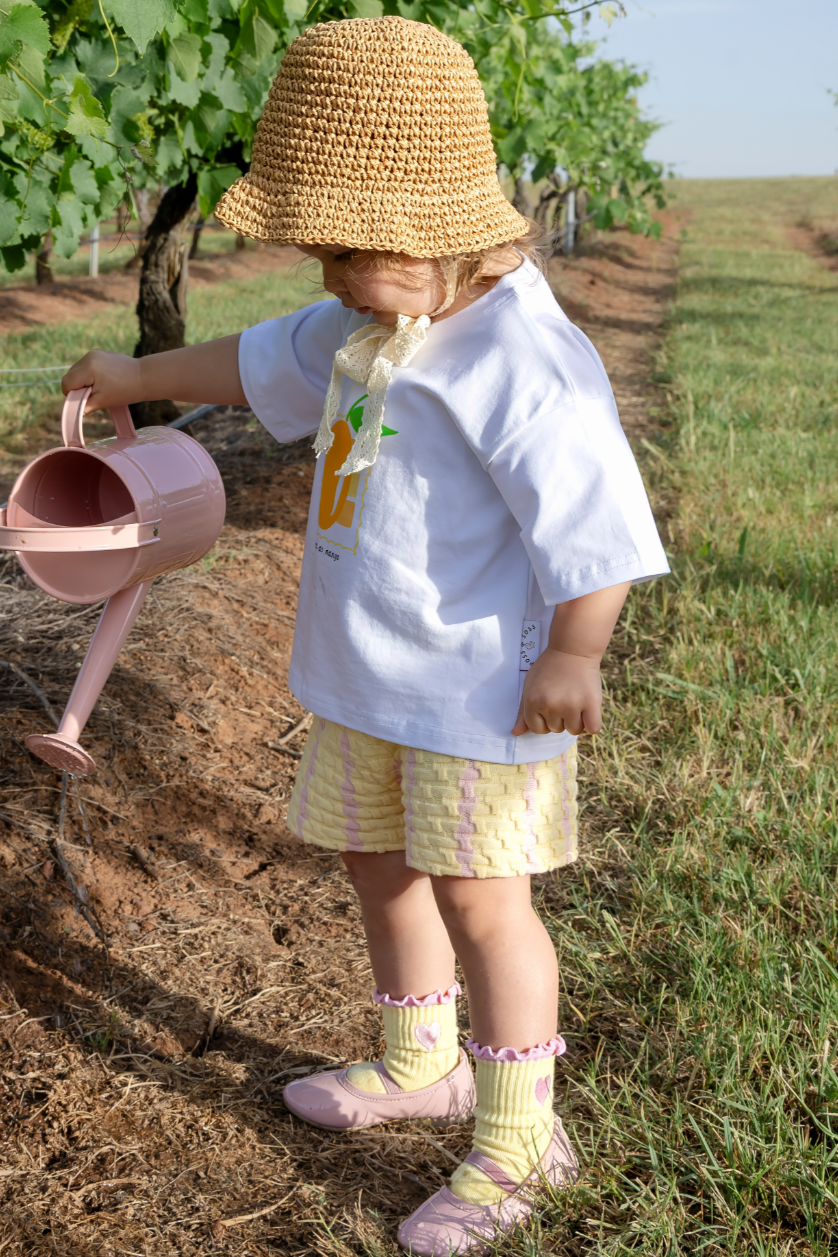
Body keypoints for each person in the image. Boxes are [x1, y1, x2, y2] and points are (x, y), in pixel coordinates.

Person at [62, 17, 669, 1254]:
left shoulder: (523, 360)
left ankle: (516, 1137)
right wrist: (135, 378)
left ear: (447, 229)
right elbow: (254, 361)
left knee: (483, 902)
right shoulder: (366, 321)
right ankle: (419, 1059)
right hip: (365, 678)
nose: (330, 273)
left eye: (353, 250)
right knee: (378, 870)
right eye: (320, 249)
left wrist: (574, 654)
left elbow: (599, 527)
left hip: (476, 703)